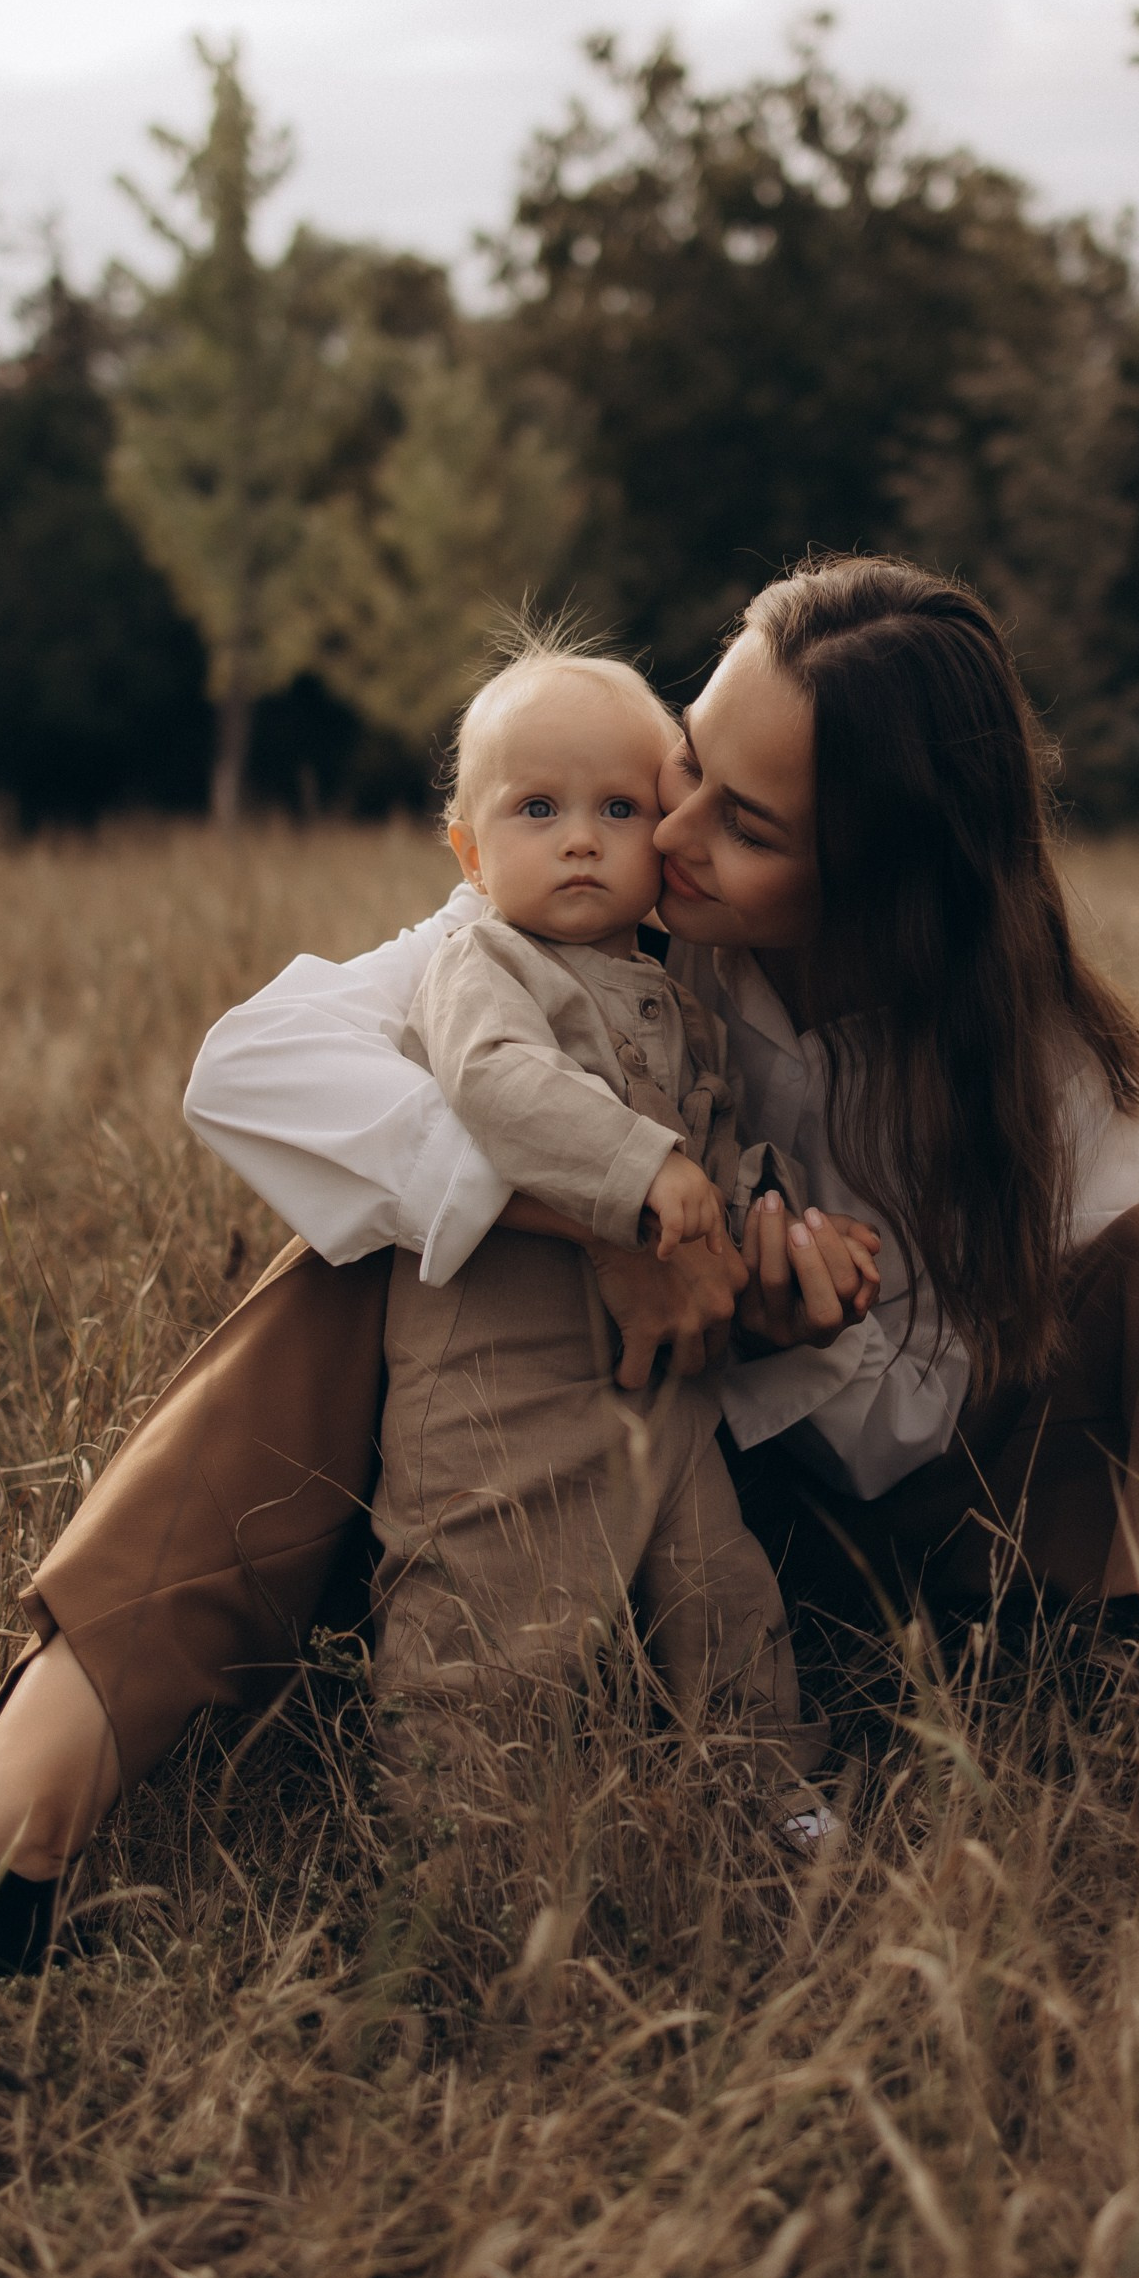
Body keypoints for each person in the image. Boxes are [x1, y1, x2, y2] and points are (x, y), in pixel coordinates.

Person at [0, 555, 1139, 1999]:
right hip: (576, 1467)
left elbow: (914, 1437)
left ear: (882, 880)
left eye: (742, 822)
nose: (661, 838)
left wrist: (771, 1319)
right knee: (356, 1256)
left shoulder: (1053, 1074)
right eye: (690, 774)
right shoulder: (612, 928)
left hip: (914, 1568)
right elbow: (252, 1066)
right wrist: (603, 1218)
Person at [368, 635, 849, 1823]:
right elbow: (494, 1082)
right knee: (483, 1603)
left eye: (620, 807)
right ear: (469, 852)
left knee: (723, 1591)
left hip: (661, 1394)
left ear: (666, 833)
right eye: (537, 808)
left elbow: (721, 1144)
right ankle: (456, 1819)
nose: (580, 837)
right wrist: (639, 1169)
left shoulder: (675, 992)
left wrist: (773, 1216)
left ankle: (771, 1783)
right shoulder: (482, 960)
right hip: (500, 1379)